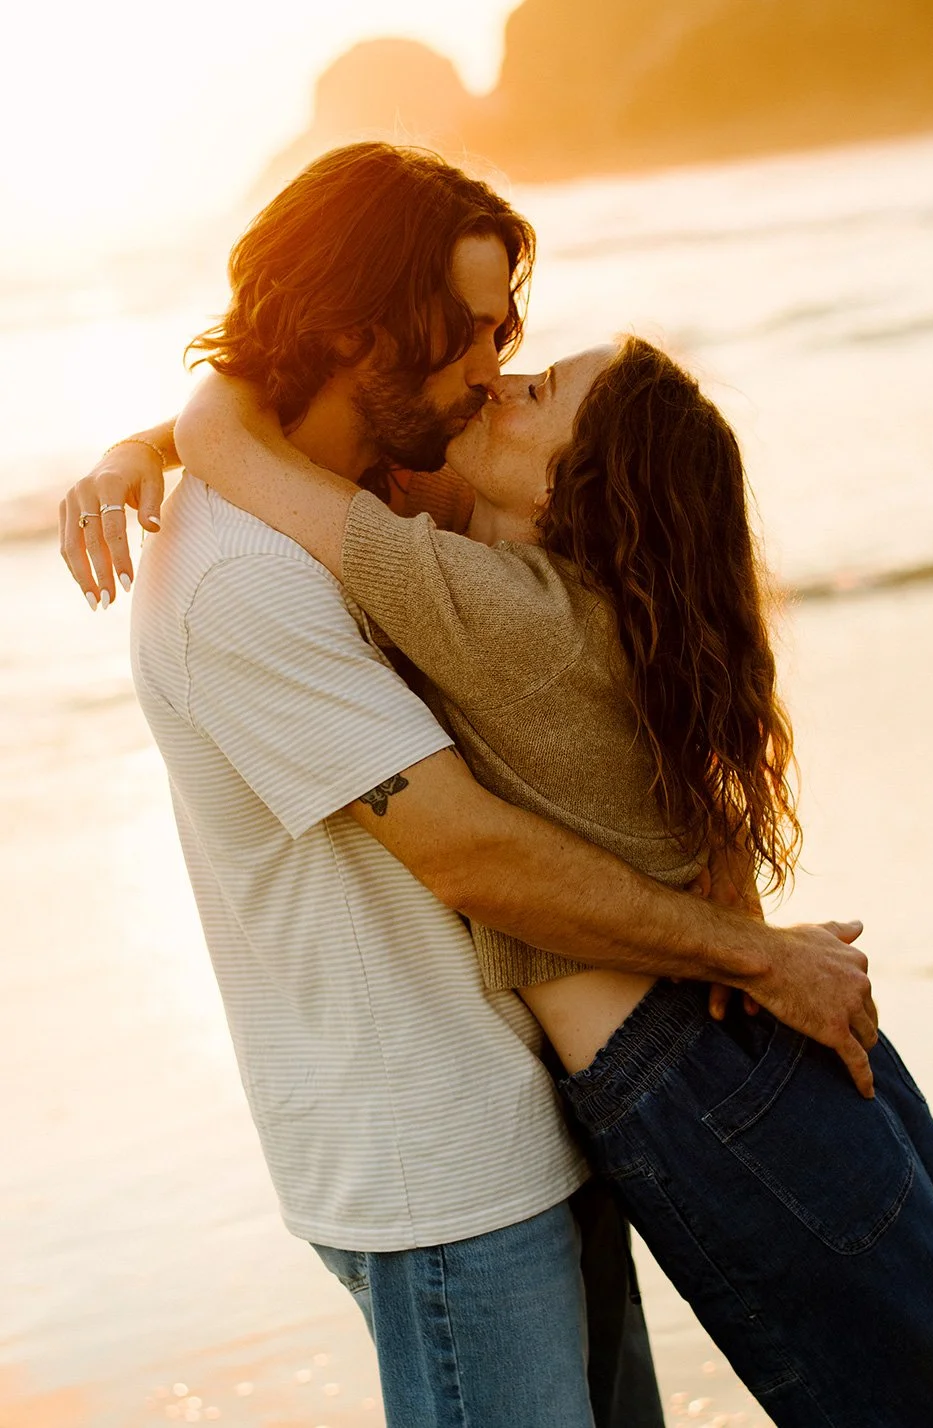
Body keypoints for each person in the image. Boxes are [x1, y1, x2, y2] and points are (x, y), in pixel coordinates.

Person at [60, 143, 878, 1428]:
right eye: (469, 335)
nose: (492, 369)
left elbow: (249, 419)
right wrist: (755, 956)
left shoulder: (386, 496)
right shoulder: (242, 582)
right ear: (354, 329)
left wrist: (154, 433)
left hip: (546, 1116)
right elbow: (470, 852)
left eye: (509, 333)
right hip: (442, 1174)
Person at [154, 332, 933, 1424]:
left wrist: (144, 444)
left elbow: (231, 446)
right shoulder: (582, 603)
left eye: (535, 392)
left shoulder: (496, 612)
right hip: (738, 1052)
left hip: (690, 1075)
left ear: (571, 485)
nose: (495, 382)